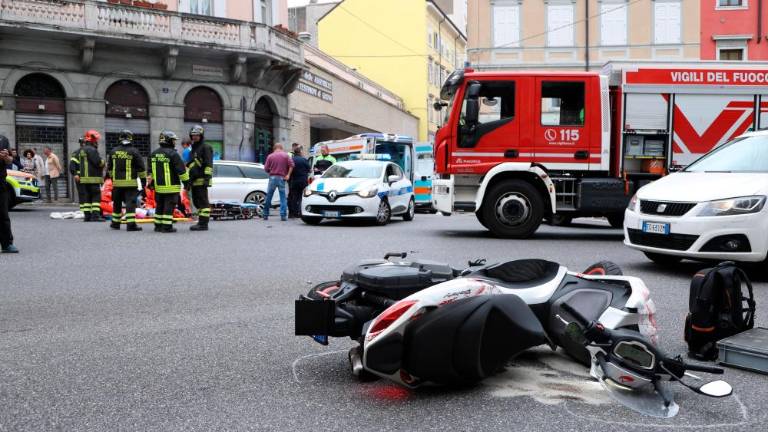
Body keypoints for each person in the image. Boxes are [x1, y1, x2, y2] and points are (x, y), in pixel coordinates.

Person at [149, 130, 189, 233]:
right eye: (173, 140)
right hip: (171, 187)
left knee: (160, 206)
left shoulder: (154, 154)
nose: (174, 142)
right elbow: (182, 171)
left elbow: (150, 172)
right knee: (168, 206)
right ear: (169, 141)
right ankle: (167, 227)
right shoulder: (173, 154)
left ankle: (158, 226)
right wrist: (187, 183)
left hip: (158, 187)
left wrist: (151, 184)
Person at [107, 129, 147, 231]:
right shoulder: (134, 151)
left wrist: (113, 179)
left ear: (120, 138)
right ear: (131, 138)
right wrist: (143, 181)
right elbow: (141, 168)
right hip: (130, 183)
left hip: (117, 184)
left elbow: (110, 168)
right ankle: (131, 225)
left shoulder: (113, 151)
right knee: (130, 203)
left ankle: (115, 223)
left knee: (117, 203)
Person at [74, 130, 106, 222]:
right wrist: (103, 162)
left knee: (87, 197)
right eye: (96, 140)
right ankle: (95, 216)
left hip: (84, 179)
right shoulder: (92, 150)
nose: (97, 142)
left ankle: (87, 216)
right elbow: (98, 162)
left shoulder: (81, 150)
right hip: (93, 178)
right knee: (96, 196)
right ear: (92, 140)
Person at [186, 125, 213, 231]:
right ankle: (201, 221)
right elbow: (192, 164)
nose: (194, 137)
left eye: (197, 135)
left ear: (201, 136)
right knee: (197, 202)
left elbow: (208, 164)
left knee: (203, 202)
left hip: (202, 180)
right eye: (193, 135)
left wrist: (207, 179)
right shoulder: (194, 148)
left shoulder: (205, 147)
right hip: (194, 179)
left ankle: (203, 224)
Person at [263, 142, 294, 221]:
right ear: (281, 148)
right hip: (282, 178)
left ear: (274, 148)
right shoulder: (286, 155)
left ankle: (265, 215)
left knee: (269, 196)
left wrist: (271, 170)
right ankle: (283, 216)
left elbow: (266, 169)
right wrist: (288, 175)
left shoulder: (270, 156)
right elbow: (292, 165)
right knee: (283, 197)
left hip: (272, 178)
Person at [0, 134, 18, 253]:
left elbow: (11, 159)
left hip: (0, 183)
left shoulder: (3, 139)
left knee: (3, 215)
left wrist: (6, 157)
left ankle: (7, 244)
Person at [289, 144, 310, 218]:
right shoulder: (304, 160)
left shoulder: (291, 160)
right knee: (302, 197)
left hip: (294, 181)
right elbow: (309, 169)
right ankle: (300, 212)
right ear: (300, 152)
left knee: (294, 197)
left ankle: (294, 213)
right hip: (303, 181)